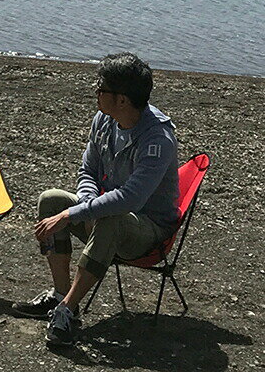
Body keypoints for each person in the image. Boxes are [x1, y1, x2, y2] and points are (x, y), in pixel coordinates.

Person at [13, 53, 179, 346]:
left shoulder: (157, 138)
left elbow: (131, 199)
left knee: (108, 217)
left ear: (122, 100)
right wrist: (85, 204)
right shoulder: (103, 120)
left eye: (101, 88)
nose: (95, 91)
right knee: (51, 200)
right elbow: (88, 169)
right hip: (109, 216)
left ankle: (65, 310)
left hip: (147, 231)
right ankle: (62, 297)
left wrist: (73, 215)